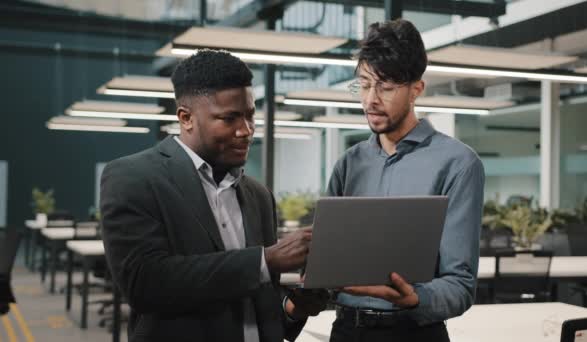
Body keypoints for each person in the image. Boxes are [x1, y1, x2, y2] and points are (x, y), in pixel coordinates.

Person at [101, 49, 325, 342]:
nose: (245, 131)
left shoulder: (258, 196)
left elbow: (258, 303)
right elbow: (145, 284)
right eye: (229, 118)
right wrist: (265, 260)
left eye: (249, 116)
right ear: (186, 118)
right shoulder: (134, 178)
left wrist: (294, 307)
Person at [326, 19, 485, 341]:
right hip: (347, 330)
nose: (370, 99)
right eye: (365, 84)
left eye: (385, 87)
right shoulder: (349, 163)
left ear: (416, 89)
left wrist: (415, 298)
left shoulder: (457, 164)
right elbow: (326, 263)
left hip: (413, 331)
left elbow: (460, 285)